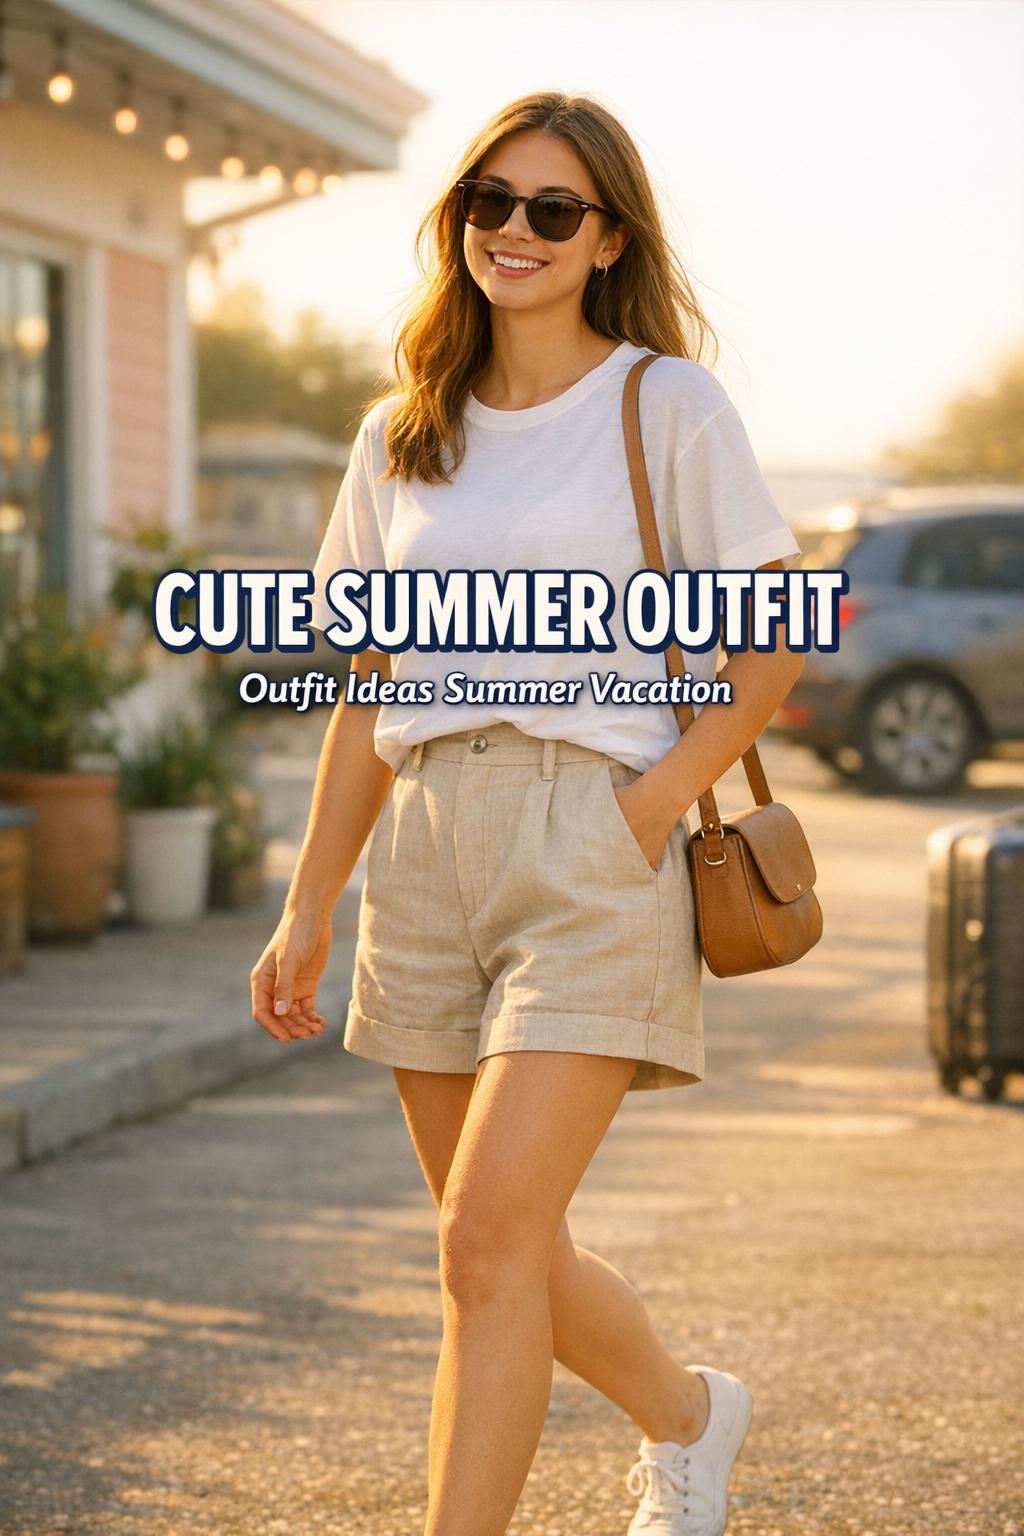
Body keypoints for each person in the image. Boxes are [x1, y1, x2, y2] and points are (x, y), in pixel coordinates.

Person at [251, 90, 805, 1536]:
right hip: (427, 851)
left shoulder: (662, 404)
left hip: (593, 834)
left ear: (606, 235)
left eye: (552, 209)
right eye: (490, 202)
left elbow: (771, 645)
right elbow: (370, 688)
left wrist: (654, 803)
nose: (515, 230)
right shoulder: (399, 436)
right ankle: (690, 1414)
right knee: (488, 1251)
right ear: (461, 223)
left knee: (490, 1239)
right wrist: (311, 900)